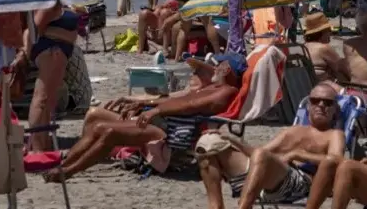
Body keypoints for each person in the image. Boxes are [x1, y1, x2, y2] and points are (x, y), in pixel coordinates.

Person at [44, 54, 246, 182]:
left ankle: (68, 172)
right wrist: (145, 104)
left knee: (109, 131)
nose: (216, 67)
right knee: (97, 125)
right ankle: (64, 164)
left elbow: (191, 106)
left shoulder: (227, 90)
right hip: (164, 121)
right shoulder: (212, 87)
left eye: (220, 64)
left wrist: (155, 111)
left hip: (170, 132)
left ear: (227, 69)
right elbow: (177, 100)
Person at [198, 84, 345, 209]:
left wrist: (297, 155)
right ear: (308, 106)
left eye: (327, 102)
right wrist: (232, 140)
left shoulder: (334, 134)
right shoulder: (292, 131)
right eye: (315, 101)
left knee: (262, 155)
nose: (321, 105)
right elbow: (257, 154)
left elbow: (337, 160)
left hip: (300, 184)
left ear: (335, 109)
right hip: (268, 177)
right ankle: (216, 206)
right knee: (209, 143)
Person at [29, 4, 78, 151]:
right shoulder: (48, 1)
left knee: (49, 101)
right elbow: (35, 28)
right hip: (51, 49)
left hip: (57, 49)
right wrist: (61, 35)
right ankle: (37, 149)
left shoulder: (57, 0)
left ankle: (42, 144)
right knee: (42, 98)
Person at [303, 12, 349, 84]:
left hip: (307, 85)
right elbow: (343, 69)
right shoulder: (323, 48)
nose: (330, 32)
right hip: (323, 87)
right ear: (322, 32)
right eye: (328, 30)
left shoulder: (304, 47)